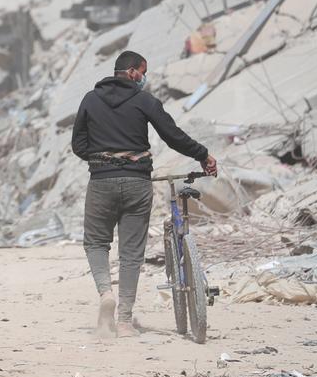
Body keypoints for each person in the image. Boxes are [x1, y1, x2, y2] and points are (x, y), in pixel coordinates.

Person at [71, 50, 218, 338]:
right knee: (131, 253)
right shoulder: (144, 101)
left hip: (101, 182)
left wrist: (104, 159)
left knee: (96, 242)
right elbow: (172, 136)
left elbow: (78, 145)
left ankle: (105, 294)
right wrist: (203, 155)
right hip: (137, 183)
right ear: (132, 72)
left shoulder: (90, 99)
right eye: (143, 72)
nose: (144, 78)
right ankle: (125, 321)